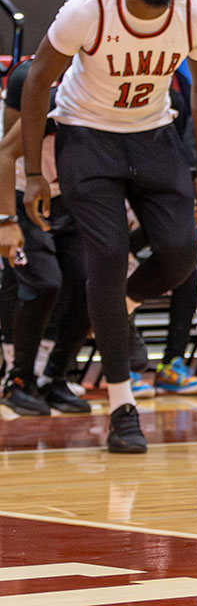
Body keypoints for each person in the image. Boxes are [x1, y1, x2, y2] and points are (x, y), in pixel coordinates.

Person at [21, 0, 197, 452]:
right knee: (105, 256)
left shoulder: (193, 14)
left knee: (180, 255)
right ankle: (122, 406)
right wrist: (36, 173)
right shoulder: (89, 9)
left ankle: (120, 303)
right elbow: (38, 81)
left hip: (153, 135)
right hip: (87, 136)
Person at [0, 64, 91, 415]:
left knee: (88, 285)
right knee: (43, 283)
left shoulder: (99, 98)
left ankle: (56, 378)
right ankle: (18, 378)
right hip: (23, 199)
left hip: (69, 201)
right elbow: (5, 156)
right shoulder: (51, 95)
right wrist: (6, 220)